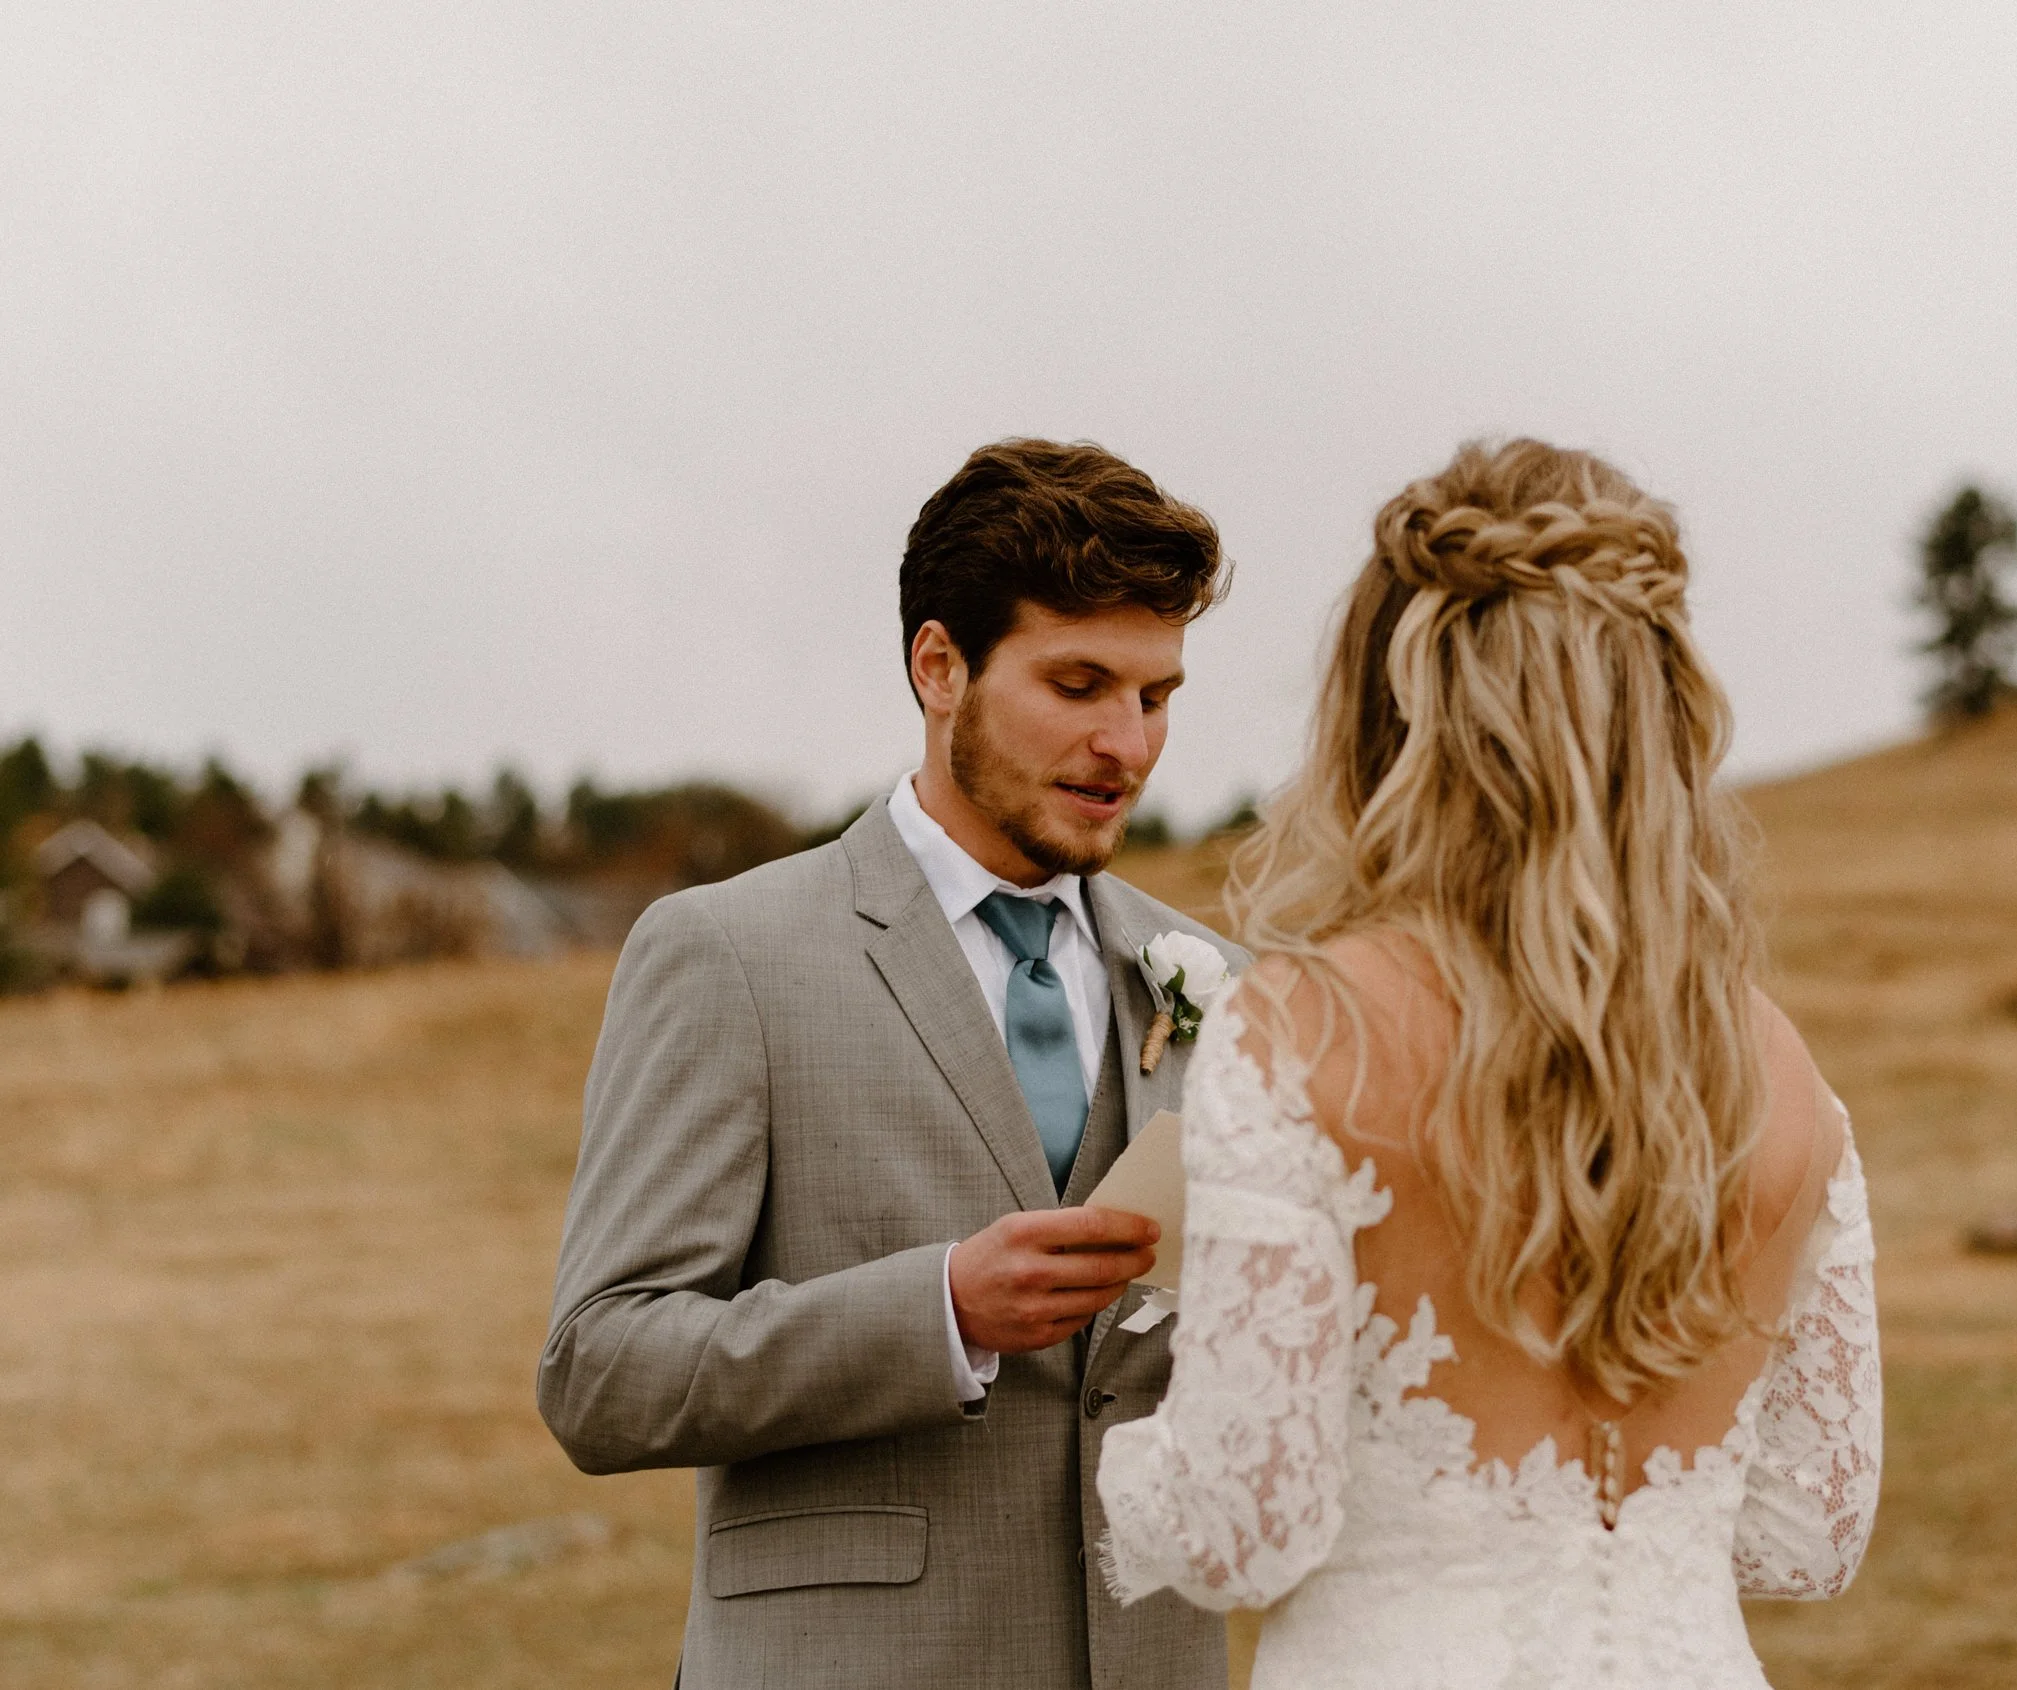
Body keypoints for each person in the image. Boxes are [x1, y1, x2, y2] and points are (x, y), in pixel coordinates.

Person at [1095, 440, 1880, 1688]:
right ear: (1658, 714)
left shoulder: (1307, 1028)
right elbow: (1807, 1535)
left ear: (1385, 716)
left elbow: (1244, 1534)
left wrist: (1128, 1456)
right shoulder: (1777, 1068)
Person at [539, 438, 1245, 1690]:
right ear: (940, 668)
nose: (1126, 745)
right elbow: (602, 1370)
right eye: (1078, 683)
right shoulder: (731, 954)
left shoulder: (1208, 976)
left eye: (1155, 696)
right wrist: (938, 1313)